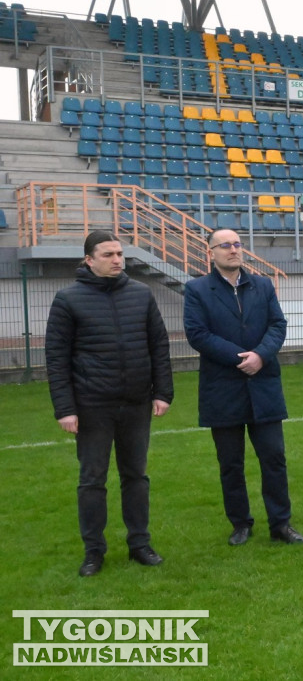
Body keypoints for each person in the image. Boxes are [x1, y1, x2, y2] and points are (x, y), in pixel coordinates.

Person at [45, 231, 173, 577]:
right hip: (91, 407)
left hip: (136, 404)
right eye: (108, 254)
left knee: (136, 476)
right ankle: (94, 551)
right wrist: (65, 408)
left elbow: (159, 346)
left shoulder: (141, 294)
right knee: (92, 480)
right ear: (89, 259)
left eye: (120, 253)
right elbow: (56, 359)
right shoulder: (68, 300)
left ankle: (139, 544)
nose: (117, 260)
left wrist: (163, 392)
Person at [183, 229, 303, 546]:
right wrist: (241, 358)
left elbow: (278, 325)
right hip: (222, 389)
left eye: (237, 244)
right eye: (225, 245)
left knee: (274, 459)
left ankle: (281, 524)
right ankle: (240, 524)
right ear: (211, 252)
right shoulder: (197, 289)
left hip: (263, 386)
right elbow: (198, 334)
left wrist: (261, 356)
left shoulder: (263, 285)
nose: (233, 250)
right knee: (230, 463)